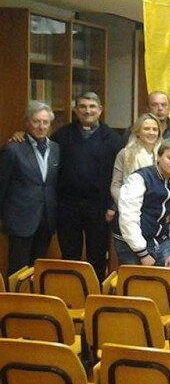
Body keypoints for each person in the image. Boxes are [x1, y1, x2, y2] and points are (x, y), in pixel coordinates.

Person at [51, 93, 121, 279]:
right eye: (82, 106)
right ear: (75, 110)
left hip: (99, 208)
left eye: (92, 106)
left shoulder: (114, 140)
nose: (87, 110)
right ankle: (72, 290)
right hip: (67, 206)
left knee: (97, 255)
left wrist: (112, 206)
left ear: (100, 110)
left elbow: (119, 177)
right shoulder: (61, 136)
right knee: (69, 255)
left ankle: (95, 291)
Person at [0, 102, 60, 279]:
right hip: (20, 219)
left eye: (45, 122)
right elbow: (2, 184)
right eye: (36, 121)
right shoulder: (13, 149)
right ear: (27, 123)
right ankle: (14, 297)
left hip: (46, 218)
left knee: (38, 270)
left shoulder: (56, 148)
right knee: (17, 270)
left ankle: (34, 297)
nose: (41, 126)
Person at [115, 139, 170, 280]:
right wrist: (142, 253)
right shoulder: (139, 178)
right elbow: (128, 218)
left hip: (159, 239)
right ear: (158, 157)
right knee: (138, 284)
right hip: (130, 241)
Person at [111, 113, 162, 209]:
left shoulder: (163, 155)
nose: (151, 132)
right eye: (146, 129)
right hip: (128, 207)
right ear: (137, 132)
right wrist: (124, 205)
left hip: (156, 209)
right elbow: (115, 185)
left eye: (155, 129)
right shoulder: (125, 153)